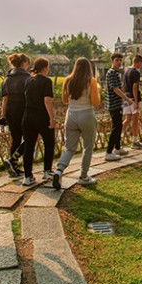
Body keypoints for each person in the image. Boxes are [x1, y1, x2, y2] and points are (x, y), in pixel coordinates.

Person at [52, 58, 101, 189]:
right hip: (86, 114)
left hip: (71, 114)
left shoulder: (68, 80)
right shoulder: (91, 81)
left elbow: (65, 100)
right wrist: (98, 90)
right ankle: (84, 176)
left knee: (69, 147)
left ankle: (59, 170)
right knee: (88, 146)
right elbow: (96, 102)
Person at [22, 57, 56, 186]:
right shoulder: (46, 82)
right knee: (49, 143)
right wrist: (51, 118)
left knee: (29, 146)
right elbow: (47, 100)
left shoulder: (28, 80)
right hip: (42, 116)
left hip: (28, 116)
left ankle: (28, 176)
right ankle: (47, 170)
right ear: (45, 67)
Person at [0, 53, 31, 177]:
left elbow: (5, 99)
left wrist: (3, 115)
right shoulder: (28, 78)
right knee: (29, 138)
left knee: (16, 139)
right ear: (24, 64)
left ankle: (14, 167)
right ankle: (13, 160)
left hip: (10, 111)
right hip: (23, 110)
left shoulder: (7, 79)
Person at [103, 53, 133, 161]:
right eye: (117, 60)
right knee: (116, 127)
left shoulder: (116, 73)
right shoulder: (111, 73)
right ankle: (109, 151)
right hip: (113, 104)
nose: (119, 62)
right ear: (112, 61)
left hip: (117, 103)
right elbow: (115, 89)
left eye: (120, 60)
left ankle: (117, 147)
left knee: (119, 126)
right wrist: (127, 99)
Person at [122, 55, 142, 149]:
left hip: (126, 98)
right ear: (138, 62)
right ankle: (135, 141)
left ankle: (118, 139)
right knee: (135, 120)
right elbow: (135, 87)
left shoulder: (126, 71)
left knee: (127, 120)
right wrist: (136, 101)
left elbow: (124, 86)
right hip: (133, 98)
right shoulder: (136, 72)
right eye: (141, 63)